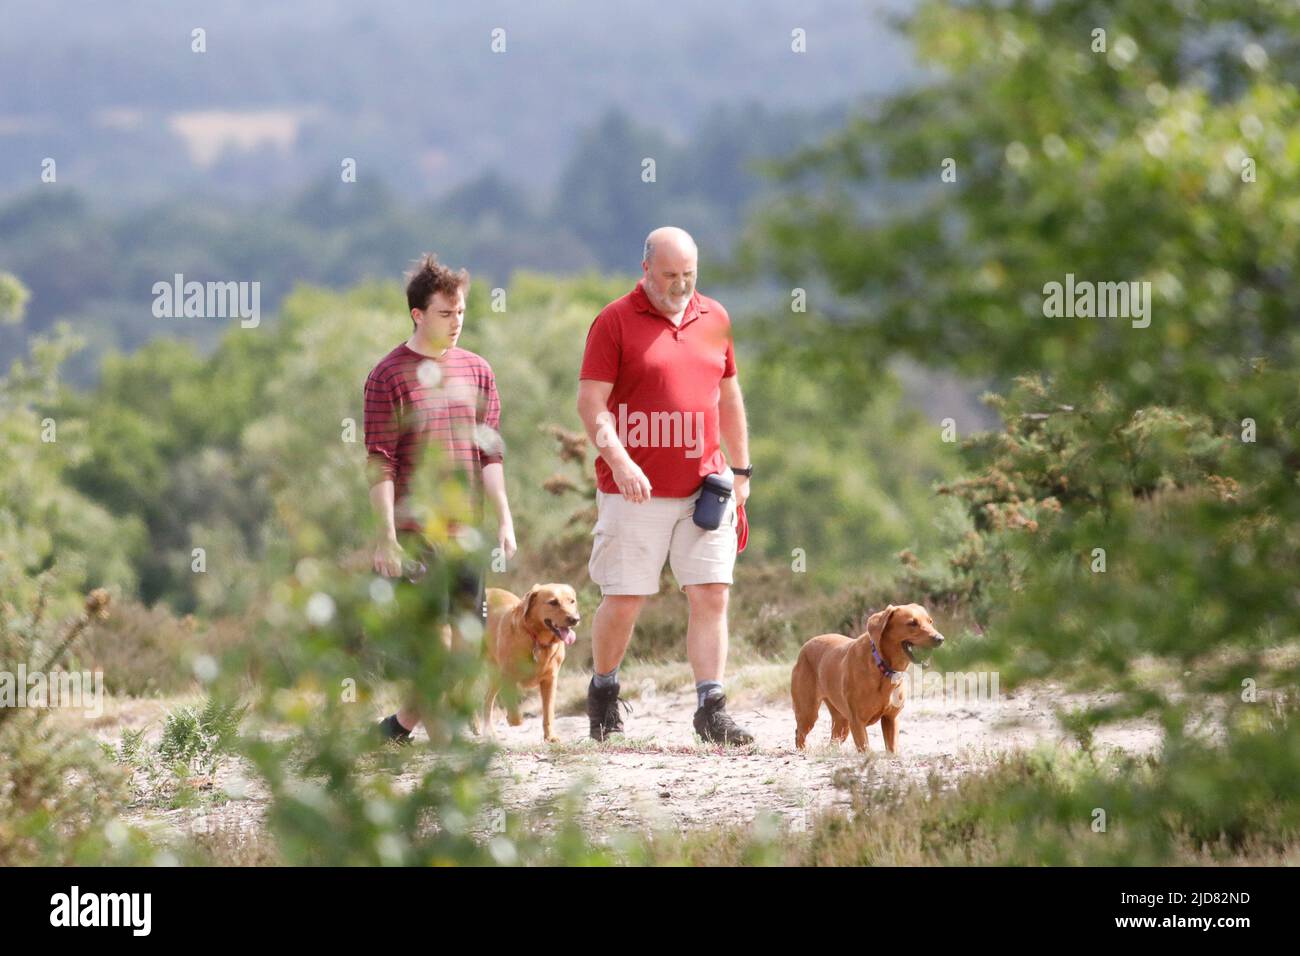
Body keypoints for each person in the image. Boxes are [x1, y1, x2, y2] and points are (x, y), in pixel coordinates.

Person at [576, 226, 755, 745]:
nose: (680, 286)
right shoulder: (613, 321)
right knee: (626, 597)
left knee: (712, 593)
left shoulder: (715, 317)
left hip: (706, 486)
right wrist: (621, 460)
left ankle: (711, 707)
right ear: (646, 270)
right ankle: (604, 689)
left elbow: (729, 397)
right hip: (633, 491)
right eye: (669, 275)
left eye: (688, 275)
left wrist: (741, 472)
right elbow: (592, 405)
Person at [364, 254, 516, 743]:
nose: (456, 324)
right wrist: (385, 536)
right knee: (437, 642)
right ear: (418, 314)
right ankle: (449, 746)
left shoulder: (478, 370)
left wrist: (504, 519)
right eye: (445, 314)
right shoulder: (387, 376)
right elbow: (380, 462)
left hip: (466, 532)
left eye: (462, 313)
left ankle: (398, 727)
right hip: (415, 535)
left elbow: (489, 453)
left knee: (467, 646)